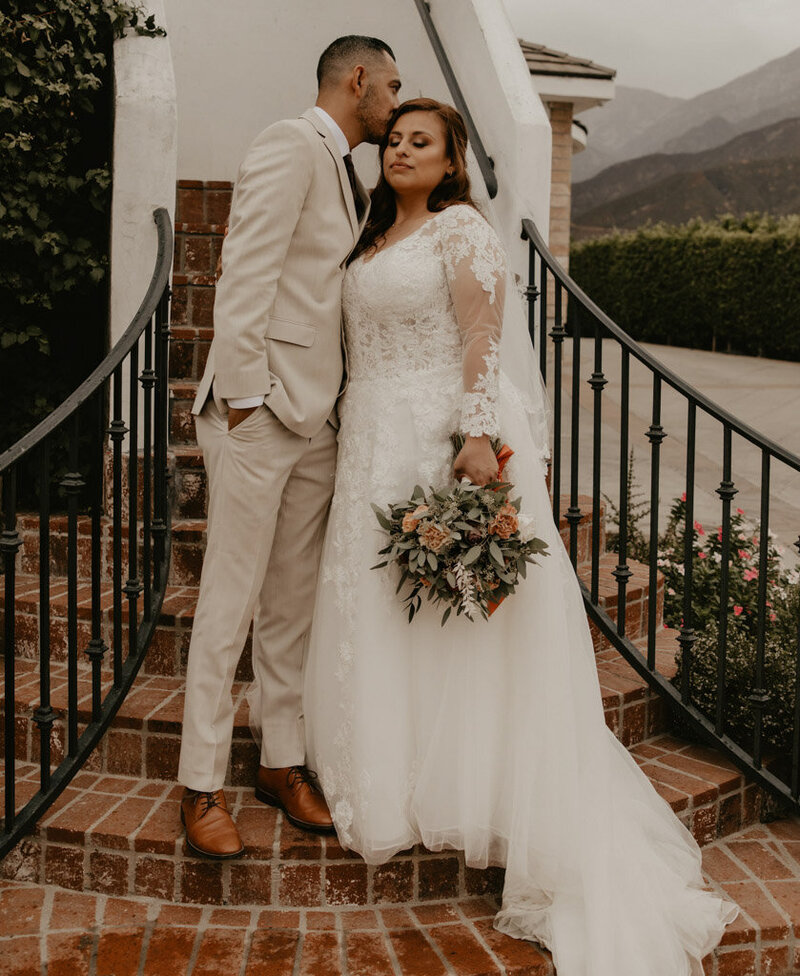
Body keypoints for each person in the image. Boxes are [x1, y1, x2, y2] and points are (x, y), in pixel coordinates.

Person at [302, 98, 737, 974]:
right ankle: (390, 772)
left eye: (420, 141)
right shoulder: (374, 234)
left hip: (434, 438)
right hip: (369, 441)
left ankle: (471, 786)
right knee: (383, 599)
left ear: (453, 157)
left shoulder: (462, 230)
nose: (400, 151)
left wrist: (473, 433)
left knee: (444, 605)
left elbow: (482, 335)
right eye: (393, 139)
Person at [177, 35, 401, 859]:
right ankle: (200, 783)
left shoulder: (349, 169)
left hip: (318, 420)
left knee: (291, 605)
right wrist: (243, 402)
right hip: (263, 413)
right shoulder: (289, 143)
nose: (395, 101)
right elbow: (244, 273)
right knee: (228, 601)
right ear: (357, 79)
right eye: (391, 86)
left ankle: (278, 761)